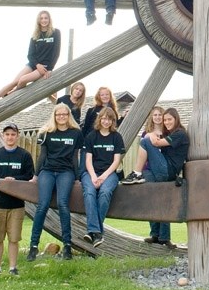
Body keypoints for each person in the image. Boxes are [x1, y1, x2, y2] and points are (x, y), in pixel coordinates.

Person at [121, 107, 190, 249]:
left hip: (167, 171)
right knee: (153, 198)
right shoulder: (167, 133)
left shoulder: (179, 134)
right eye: (165, 120)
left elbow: (156, 143)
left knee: (145, 141)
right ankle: (157, 236)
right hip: (154, 170)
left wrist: (151, 137)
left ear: (176, 119)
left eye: (169, 119)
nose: (166, 121)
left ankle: (136, 173)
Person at [27, 104, 82, 262]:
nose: (61, 117)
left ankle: (67, 246)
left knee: (62, 204)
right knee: (42, 204)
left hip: (66, 172)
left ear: (68, 115)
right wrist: (36, 176)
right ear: (54, 116)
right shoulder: (46, 132)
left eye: (64, 114)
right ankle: (33, 246)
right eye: (58, 115)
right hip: (48, 171)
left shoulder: (76, 133)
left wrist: (77, 177)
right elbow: (42, 155)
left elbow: (75, 157)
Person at [0, 122, 34, 276]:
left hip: (17, 205)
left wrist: (15, 179)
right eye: (7, 134)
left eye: (13, 134)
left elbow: (29, 176)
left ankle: (13, 267)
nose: (10, 137)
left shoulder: (24, 156)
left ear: (17, 136)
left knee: (14, 238)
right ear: (3, 136)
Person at [0, 10, 61, 106]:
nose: (44, 20)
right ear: (38, 20)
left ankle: (13, 92)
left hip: (44, 66)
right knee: (14, 82)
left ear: (49, 19)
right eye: (41, 18)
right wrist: (37, 65)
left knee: (23, 80)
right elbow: (30, 55)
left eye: (46, 18)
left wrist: (50, 69)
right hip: (34, 64)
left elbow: (56, 52)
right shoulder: (35, 35)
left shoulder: (56, 32)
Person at [81, 106, 126, 247]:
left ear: (113, 121)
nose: (106, 122)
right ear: (100, 119)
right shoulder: (91, 136)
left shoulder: (116, 137)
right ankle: (98, 233)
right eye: (104, 118)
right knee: (89, 193)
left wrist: (104, 176)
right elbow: (88, 160)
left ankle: (92, 232)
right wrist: (94, 177)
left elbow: (116, 161)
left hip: (110, 174)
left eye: (110, 119)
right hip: (91, 173)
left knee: (105, 192)